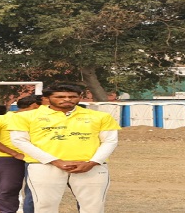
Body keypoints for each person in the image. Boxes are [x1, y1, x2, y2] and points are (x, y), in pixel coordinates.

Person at [10, 84, 120, 213]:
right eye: (60, 96)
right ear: (47, 98)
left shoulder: (100, 116)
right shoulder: (25, 117)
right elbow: (20, 141)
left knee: (93, 207)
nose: (67, 99)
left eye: (72, 96)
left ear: (80, 97)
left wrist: (92, 162)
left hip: (90, 167)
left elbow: (110, 141)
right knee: (44, 206)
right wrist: (55, 161)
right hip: (44, 166)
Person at [0, 96, 41, 213]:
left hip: (37, 158)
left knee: (36, 190)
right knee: (8, 189)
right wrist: (14, 153)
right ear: (35, 105)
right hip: (9, 158)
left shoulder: (43, 119)